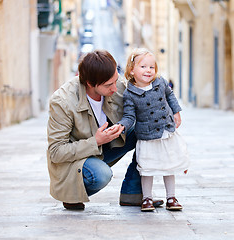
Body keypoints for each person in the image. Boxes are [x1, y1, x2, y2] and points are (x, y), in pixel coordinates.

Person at [47, 50, 163, 210]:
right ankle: (72, 194)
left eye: (116, 80)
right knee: (101, 174)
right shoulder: (62, 102)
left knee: (146, 129)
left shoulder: (117, 86)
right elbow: (56, 152)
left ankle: (133, 192)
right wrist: (96, 141)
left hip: (105, 147)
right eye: (109, 85)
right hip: (76, 162)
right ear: (89, 83)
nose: (116, 88)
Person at [116, 48, 190, 212]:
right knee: (147, 168)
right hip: (147, 136)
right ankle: (146, 198)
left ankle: (171, 197)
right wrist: (122, 126)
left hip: (166, 131)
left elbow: (170, 95)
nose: (148, 70)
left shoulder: (161, 82)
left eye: (151, 67)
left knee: (169, 166)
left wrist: (176, 112)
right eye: (143, 67)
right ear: (131, 70)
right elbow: (129, 116)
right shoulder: (130, 93)